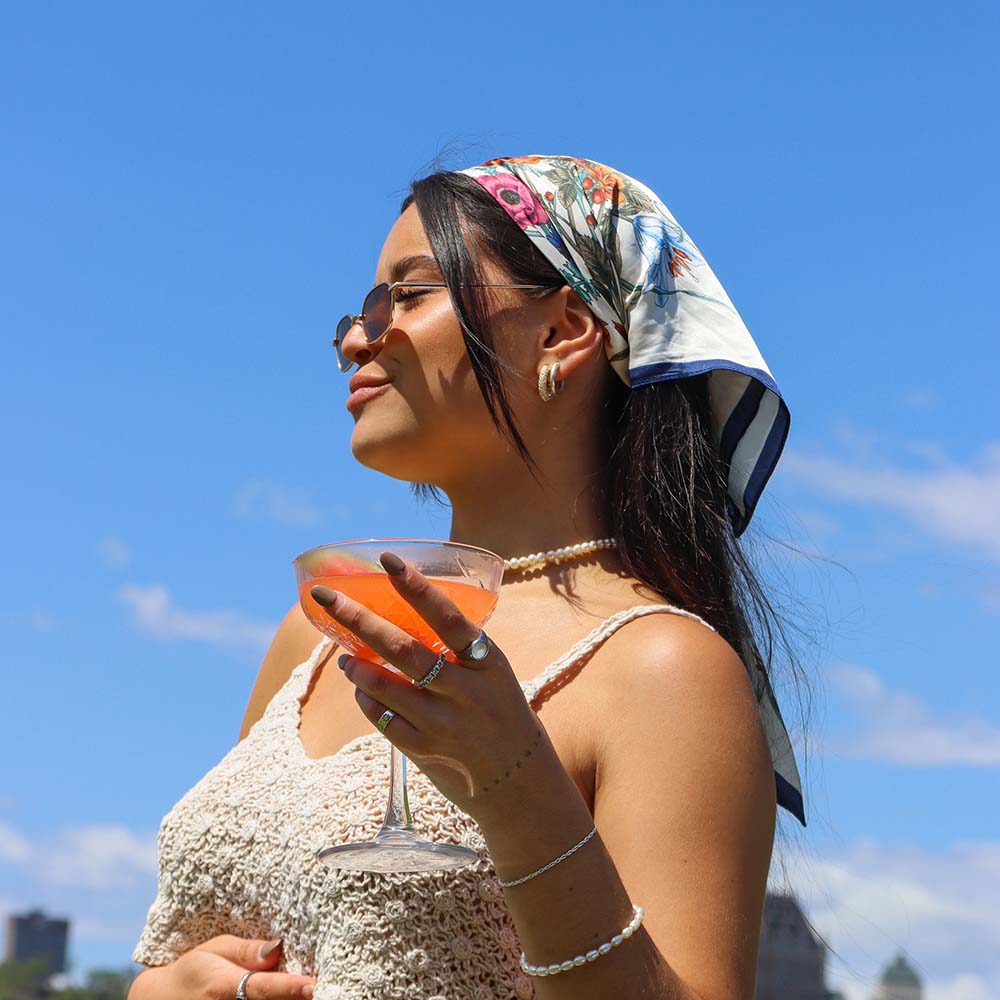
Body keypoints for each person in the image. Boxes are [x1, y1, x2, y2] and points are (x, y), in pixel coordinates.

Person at [128, 154, 806, 1000]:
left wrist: (514, 785)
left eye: (408, 296)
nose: (352, 339)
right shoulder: (319, 628)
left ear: (563, 331)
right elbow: (214, 949)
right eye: (362, 307)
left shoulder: (663, 669)